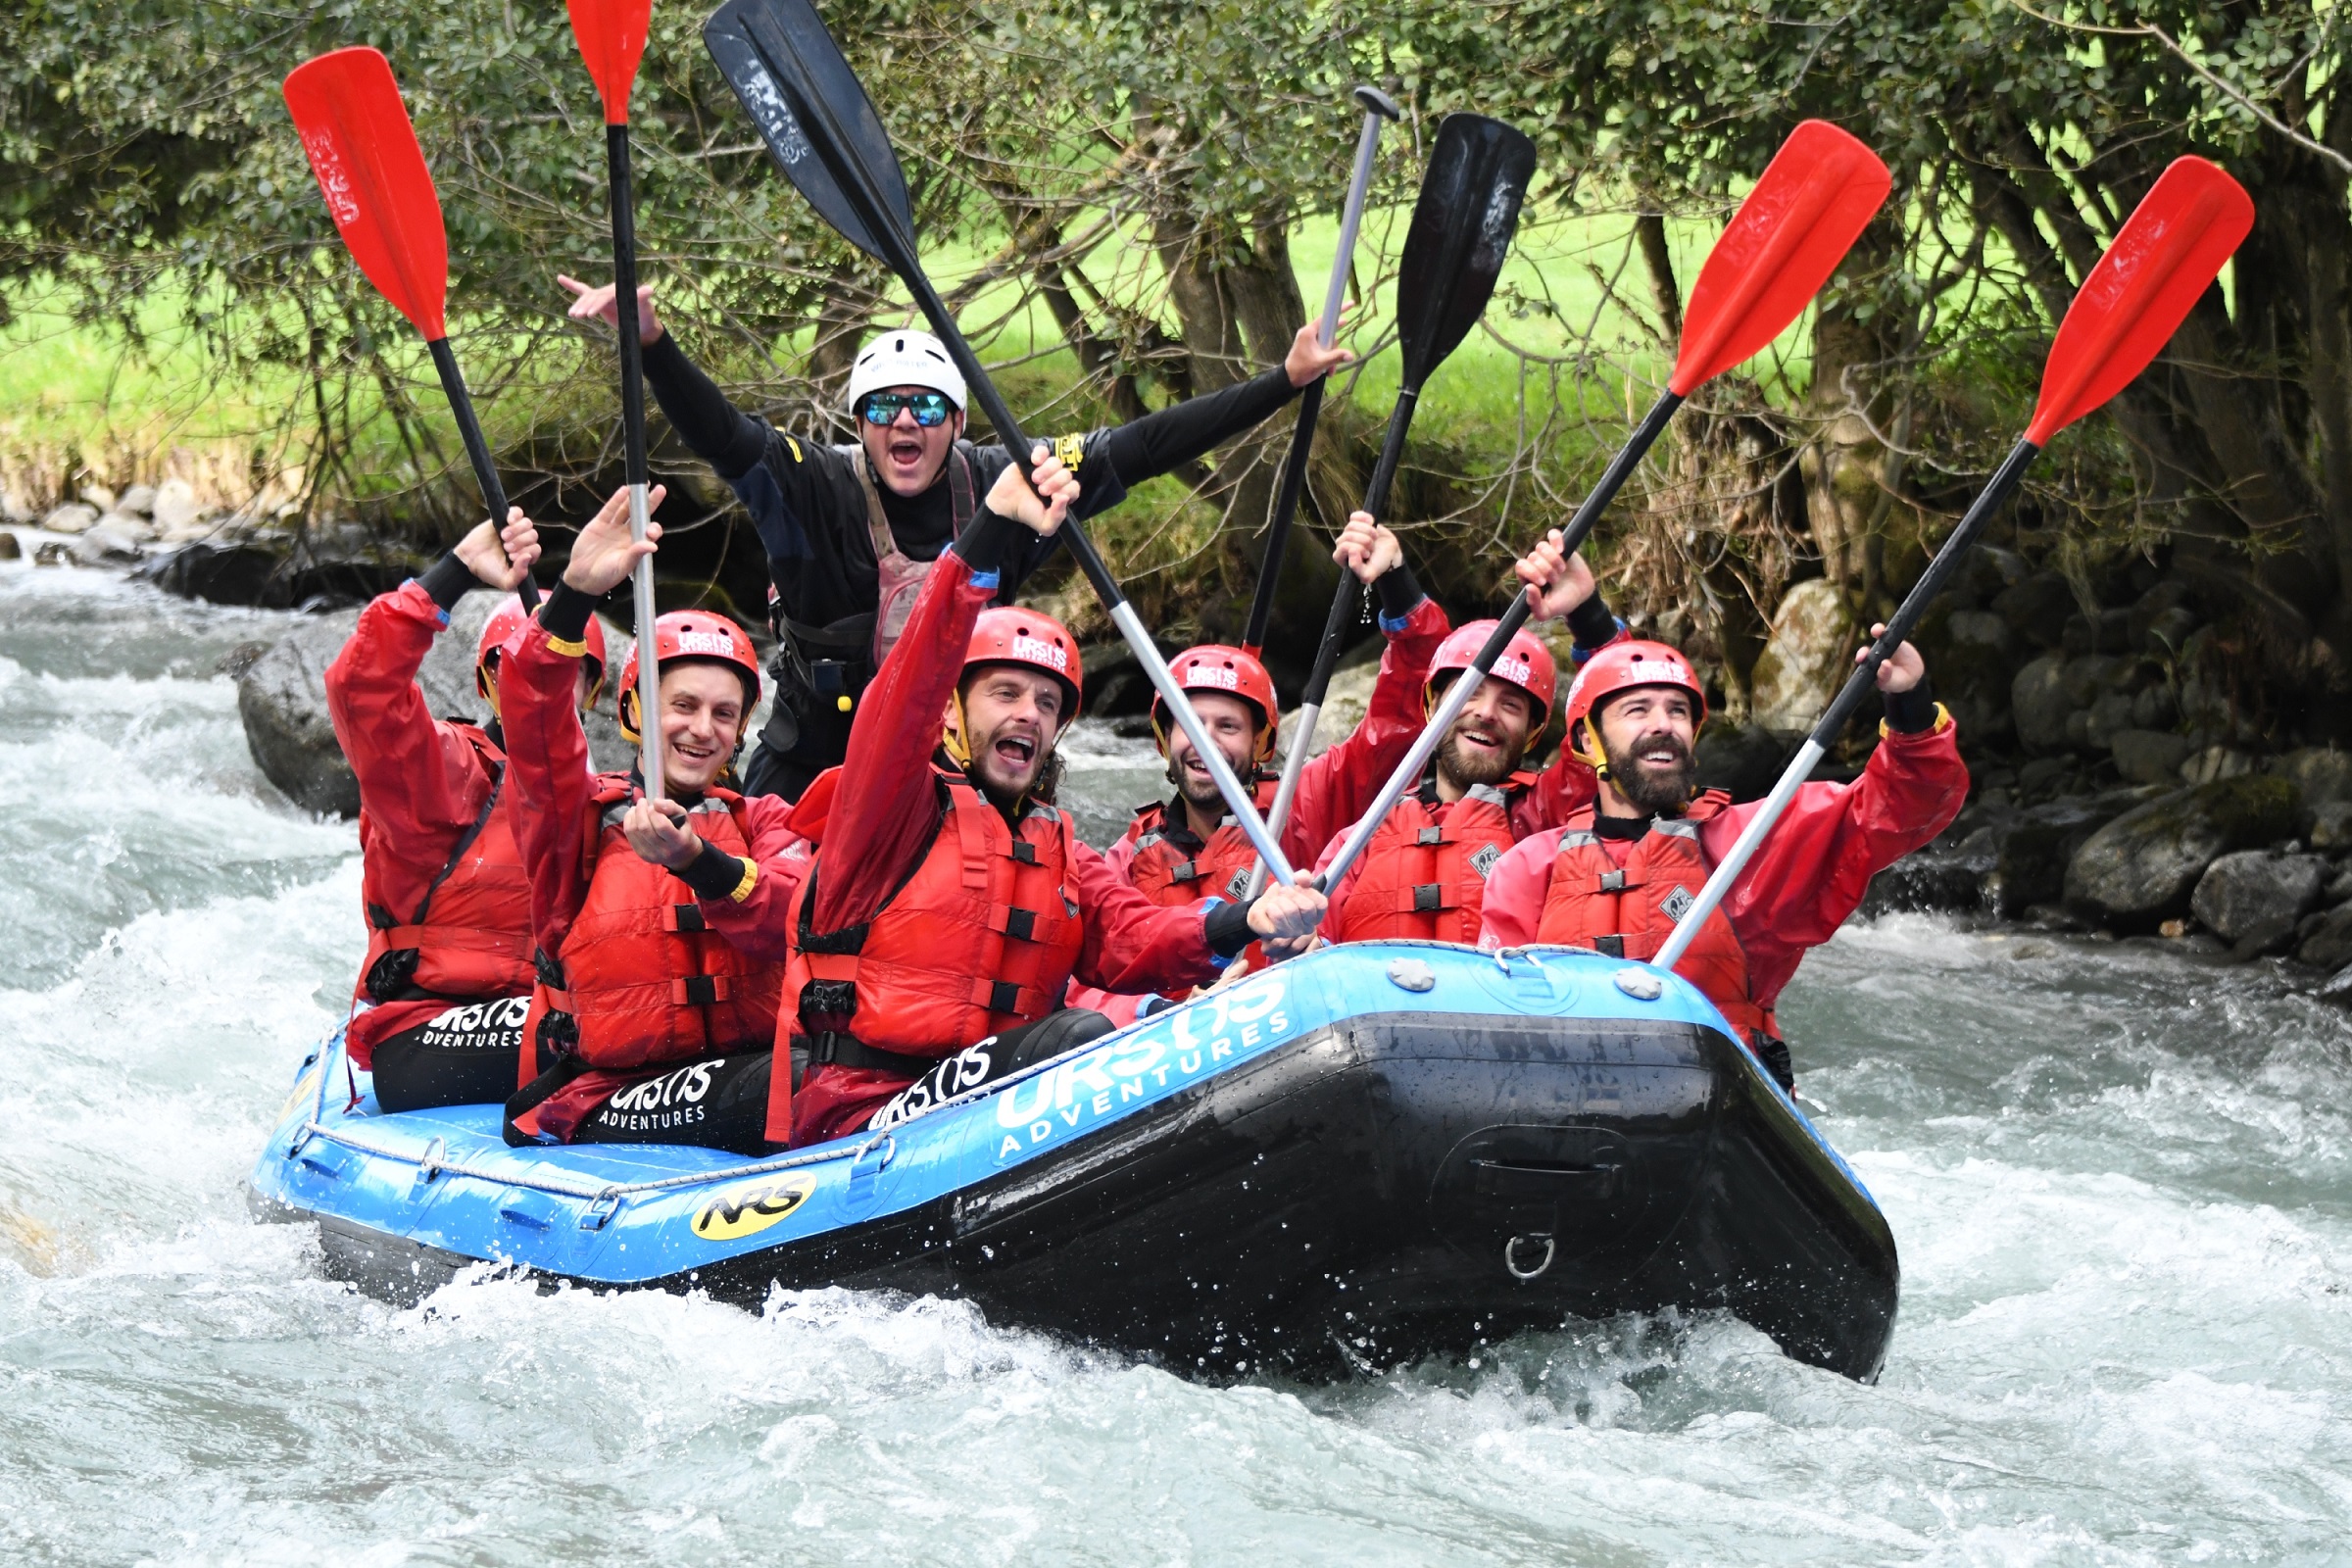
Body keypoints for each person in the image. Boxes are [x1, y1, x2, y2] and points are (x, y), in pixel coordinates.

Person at [561, 276, 1356, 800]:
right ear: (858, 422)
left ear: (958, 423)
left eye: (927, 408)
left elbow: (1142, 447)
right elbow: (722, 434)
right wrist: (652, 344)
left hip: (952, 770)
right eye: (884, 407)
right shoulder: (808, 482)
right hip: (812, 768)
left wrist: (1280, 383)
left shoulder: (1011, 478)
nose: (905, 422)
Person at [767, 448, 1328, 1148]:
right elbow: (906, 688)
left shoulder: (1058, 844)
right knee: (1082, 1039)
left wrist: (1246, 918)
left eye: (1046, 703)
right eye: (1004, 694)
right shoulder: (889, 806)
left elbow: (1134, 937)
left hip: (996, 1119)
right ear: (952, 715)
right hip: (865, 1110)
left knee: (1098, 1040)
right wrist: (985, 538)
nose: (1029, 714)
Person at [1477, 533, 1971, 1093]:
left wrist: (1909, 706)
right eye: (1637, 710)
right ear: (1588, 744)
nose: (1663, 724)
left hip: (1709, 1104)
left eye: (1678, 711)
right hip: (1564, 1101)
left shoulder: (1750, 846)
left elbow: (1897, 812)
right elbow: (1497, 1015)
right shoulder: (1527, 869)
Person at [497, 487, 810, 1152]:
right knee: (793, 1081)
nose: (703, 730)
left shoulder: (765, 821)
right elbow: (532, 719)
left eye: (724, 714)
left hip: (740, 1073)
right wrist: (575, 593)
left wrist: (699, 862)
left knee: (815, 1076)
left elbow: (794, 913)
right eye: (684, 705)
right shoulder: (575, 821)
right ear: (636, 711)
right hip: (611, 1094)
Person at [1071, 510, 1446, 1017]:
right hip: (1176, 1056)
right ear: (1163, 739)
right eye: (1191, 724)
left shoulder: (1303, 806)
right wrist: (1153, 1011)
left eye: (1228, 728)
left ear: (1262, 745)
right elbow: (1081, 979)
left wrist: (1397, 587)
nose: (1207, 745)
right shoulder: (1124, 860)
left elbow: (1401, 723)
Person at [323, 511, 605, 1112]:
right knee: (589, 1026)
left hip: (547, 1024)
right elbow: (362, 691)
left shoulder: (608, 804)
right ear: (486, 682)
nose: (540, 682)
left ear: (592, 691)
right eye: (516, 666)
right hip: (432, 1030)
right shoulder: (446, 775)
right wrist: (451, 575)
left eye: (563, 673)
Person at [1313, 528, 1628, 945]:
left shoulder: (1543, 817)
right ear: (1430, 708)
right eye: (1469, 694)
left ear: (1534, 734)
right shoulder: (1361, 836)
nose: (1486, 714)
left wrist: (1589, 616)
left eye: (1511, 706)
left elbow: (1618, 729)